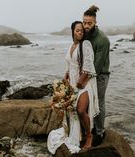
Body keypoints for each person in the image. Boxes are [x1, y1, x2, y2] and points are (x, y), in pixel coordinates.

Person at [47, 21, 99, 154]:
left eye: (82, 30)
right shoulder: (72, 46)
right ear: (72, 31)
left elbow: (88, 67)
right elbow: (70, 65)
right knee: (72, 112)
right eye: (77, 30)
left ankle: (89, 136)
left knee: (81, 110)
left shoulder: (85, 45)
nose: (80, 32)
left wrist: (79, 84)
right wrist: (65, 79)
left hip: (84, 85)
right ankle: (77, 135)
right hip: (72, 85)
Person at [82, 5, 110, 146]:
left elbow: (97, 66)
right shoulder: (84, 36)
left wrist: (82, 80)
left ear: (95, 23)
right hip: (87, 75)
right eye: (84, 22)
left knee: (98, 102)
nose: (86, 26)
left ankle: (99, 132)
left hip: (100, 76)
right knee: (87, 103)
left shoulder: (102, 40)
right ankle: (90, 128)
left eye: (89, 23)